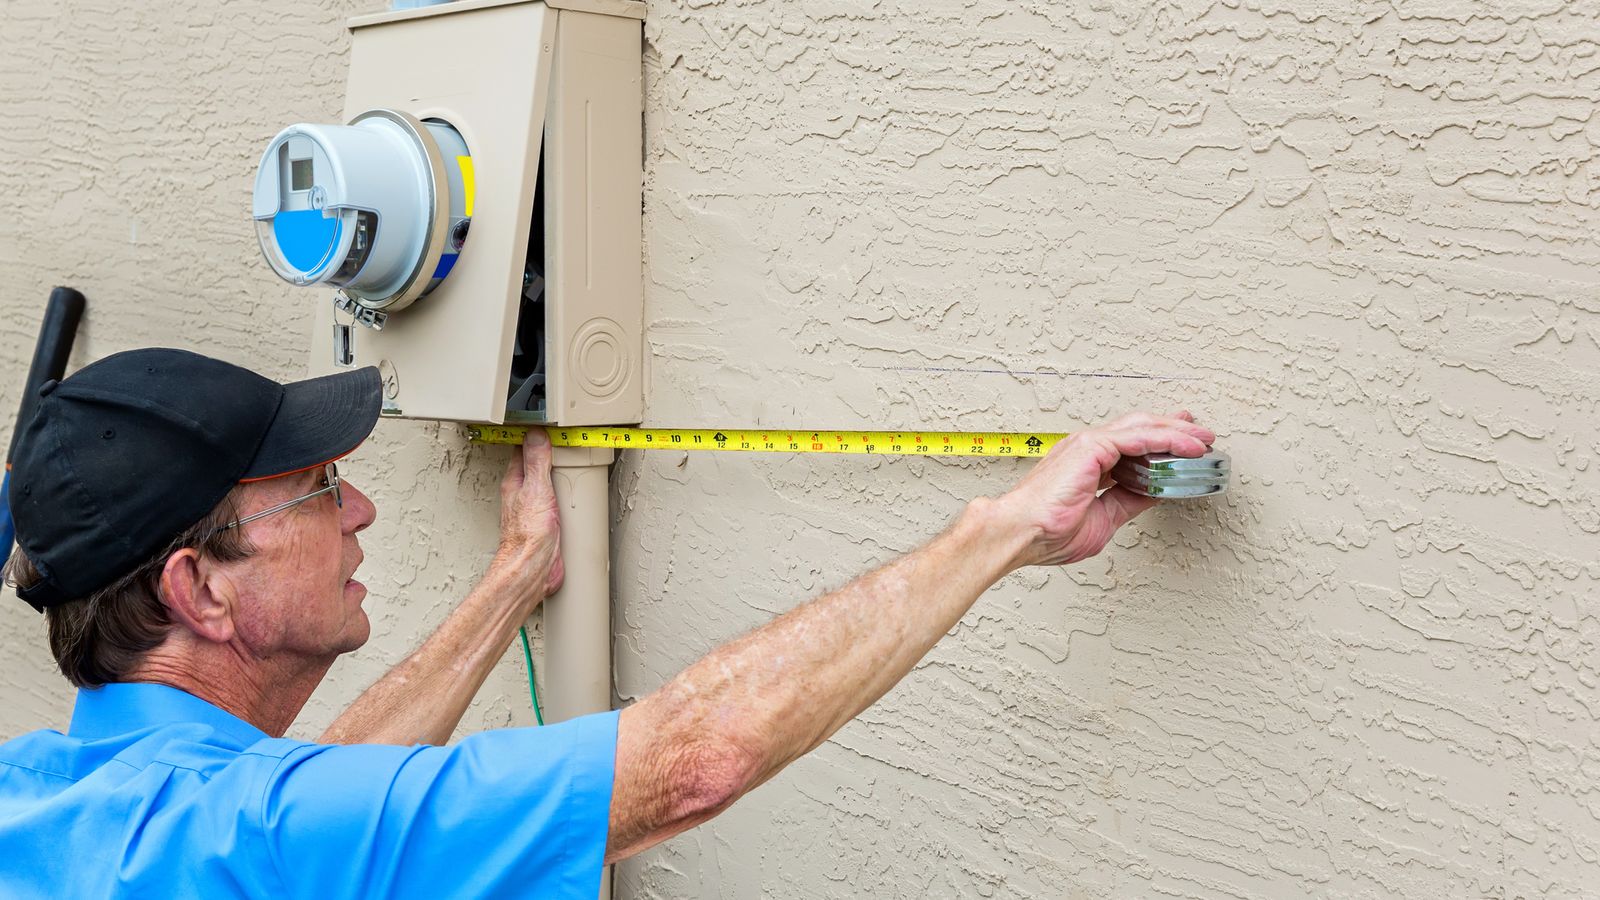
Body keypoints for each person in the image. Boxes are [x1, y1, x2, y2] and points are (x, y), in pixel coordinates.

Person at [0, 347, 1215, 898]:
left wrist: (514, 576)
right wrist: (1004, 530)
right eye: (317, 490)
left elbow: (332, 807)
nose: (359, 507)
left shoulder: (43, 797)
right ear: (199, 590)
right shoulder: (265, 833)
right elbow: (693, 764)